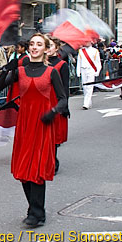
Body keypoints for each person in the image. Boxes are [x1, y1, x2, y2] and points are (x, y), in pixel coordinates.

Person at [0, 33, 67, 227]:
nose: (35, 47)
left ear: (45, 49)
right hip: (25, 126)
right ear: (29, 48)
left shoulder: (51, 72)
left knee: (36, 171)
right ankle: (34, 209)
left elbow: (63, 99)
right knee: (23, 171)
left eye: (39, 44)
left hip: (43, 125)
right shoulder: (21, 71)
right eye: (32, 44)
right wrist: (5, 70)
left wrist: (53, 112)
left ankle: (36, 213)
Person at [47, 36, 70, 174]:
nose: (47, 48)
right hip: (42, 102)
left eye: (50, 46)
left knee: (54, 136)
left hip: (56, 102)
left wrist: (64, 107)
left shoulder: (62, 65)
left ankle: (53, 162)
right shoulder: (40, 63)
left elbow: (65, 87)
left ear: (56, 48)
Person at [76, 44, 101, 109]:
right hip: (83, 69)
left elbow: (98, 62)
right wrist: (78, 71)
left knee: (90, 86)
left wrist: (97, 71)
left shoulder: (95, 51)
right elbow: (79, 62)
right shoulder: (81, 51)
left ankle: (86, 103)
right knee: (84, 87)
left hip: (91, 69)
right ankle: (88, 102)